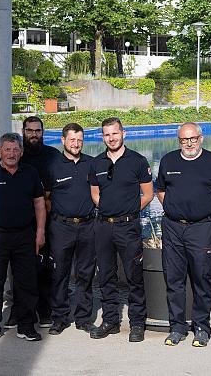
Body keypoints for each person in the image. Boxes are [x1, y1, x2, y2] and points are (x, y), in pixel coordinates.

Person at [0, 133, 47, 344]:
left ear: (21, 152)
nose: (11, 154)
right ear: (0, 151)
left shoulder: (30, 173)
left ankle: (26, 325)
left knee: (26, 283)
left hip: (24, 235)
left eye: (15, 150)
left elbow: (39, 203)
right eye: (7, 149)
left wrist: (40, 232)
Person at [156, 122, 211, 348]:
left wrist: (205, 213)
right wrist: (175, 209)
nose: (189, 143)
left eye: (192, 139)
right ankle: (176, 327)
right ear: (179, 141)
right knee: (174, 280)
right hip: (173, 228)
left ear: (201, 138)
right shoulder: (168, 160)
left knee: (202, 280)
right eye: (184, 140)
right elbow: (161, 190)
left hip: (202, 229)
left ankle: (201, 328)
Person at [89, 117, 154, 342]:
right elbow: (95, 194)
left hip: (128, 226)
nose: (111, 138)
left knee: (134, 275)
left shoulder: (137, 160)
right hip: (104, 226)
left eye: (115, 133)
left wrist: (128, 211)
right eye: (107, 134)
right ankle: (110, 320)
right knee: (106, 276)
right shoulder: (96, 163)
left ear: (123, 133)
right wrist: (108, 209)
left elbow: (148, 194)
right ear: (103, 137)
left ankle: (137, 323)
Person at [42, 123, 96, 335]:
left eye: (80, 140)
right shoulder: (52, 166)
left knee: (86, 274)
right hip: (61, 227)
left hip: (87, 226)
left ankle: (83, 318)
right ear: (63, 140)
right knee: (59, 274)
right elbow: (45, 198)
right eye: (72, 140)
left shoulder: (91, 164)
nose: (76, 144)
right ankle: (60, 318)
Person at [20, 116, 60, 328]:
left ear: (43, 132)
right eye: (29, 130)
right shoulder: (17, 155)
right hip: (21, 222)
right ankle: (20, 311)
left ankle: (45, 310)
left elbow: (56, 189)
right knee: (20, 268)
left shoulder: (53, 156)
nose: (34, 134)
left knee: (45, 268)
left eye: (37, 131)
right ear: (23, 132)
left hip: (47, 219)